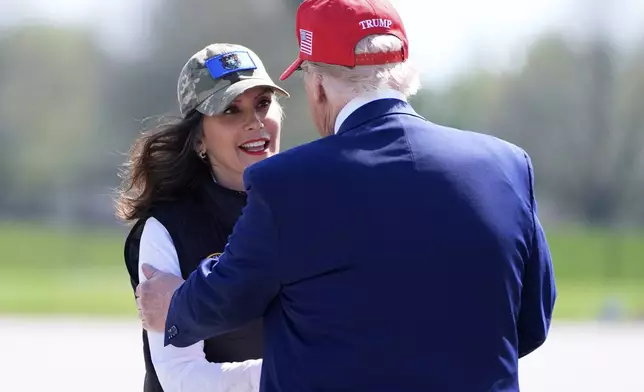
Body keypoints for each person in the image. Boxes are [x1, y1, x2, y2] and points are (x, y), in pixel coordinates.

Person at [137, 0, 557, 391]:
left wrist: (173, 306)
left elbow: (227, 296)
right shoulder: (507, 164)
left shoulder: (286, 184)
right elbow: (532, 322)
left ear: (318, 86)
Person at [116, 43, 289, 392]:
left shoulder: (310, 207)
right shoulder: (166, 228)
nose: (255, 123)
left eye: (263, 104)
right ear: (198, 140)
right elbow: (182, 378)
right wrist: (299, 373)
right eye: (230, 110)